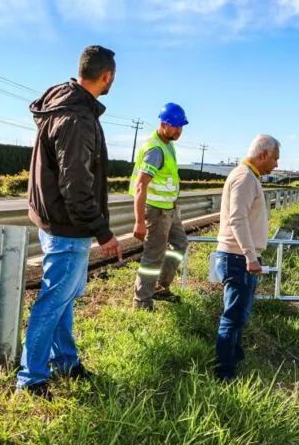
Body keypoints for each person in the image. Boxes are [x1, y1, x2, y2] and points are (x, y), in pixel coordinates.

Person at [17, 45, 123, 399]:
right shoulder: (77, 118)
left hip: (54, 222)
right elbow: (76, 185)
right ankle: (31, 379)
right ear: (106, 75)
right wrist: (103, 231)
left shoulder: (62, 106)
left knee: (62, 297)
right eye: (114, 76)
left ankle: (65, 361)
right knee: (54, 300)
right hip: (68, 227)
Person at [214, 134, 280, 381]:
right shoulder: (244, 178)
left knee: (240, 313)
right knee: (233, 315)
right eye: (274, 158)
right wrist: (250, 256)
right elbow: (237, 219)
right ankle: (224, 373)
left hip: (241, 256)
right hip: (238, 257)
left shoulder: (249, 176)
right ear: (262, 154)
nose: (276, 164)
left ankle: (235, 359)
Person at [129, 103, 190, 311]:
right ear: (163, 124)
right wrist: (139, 221)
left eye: (181, 127)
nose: (179, 131)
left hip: (169, 209)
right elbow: (140, 186)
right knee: (153, 255)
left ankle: (160, 287)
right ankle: (142, 301)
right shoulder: (155, 149)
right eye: (175, 126)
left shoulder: (168, 143)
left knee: (180, 244)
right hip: (156, 211)